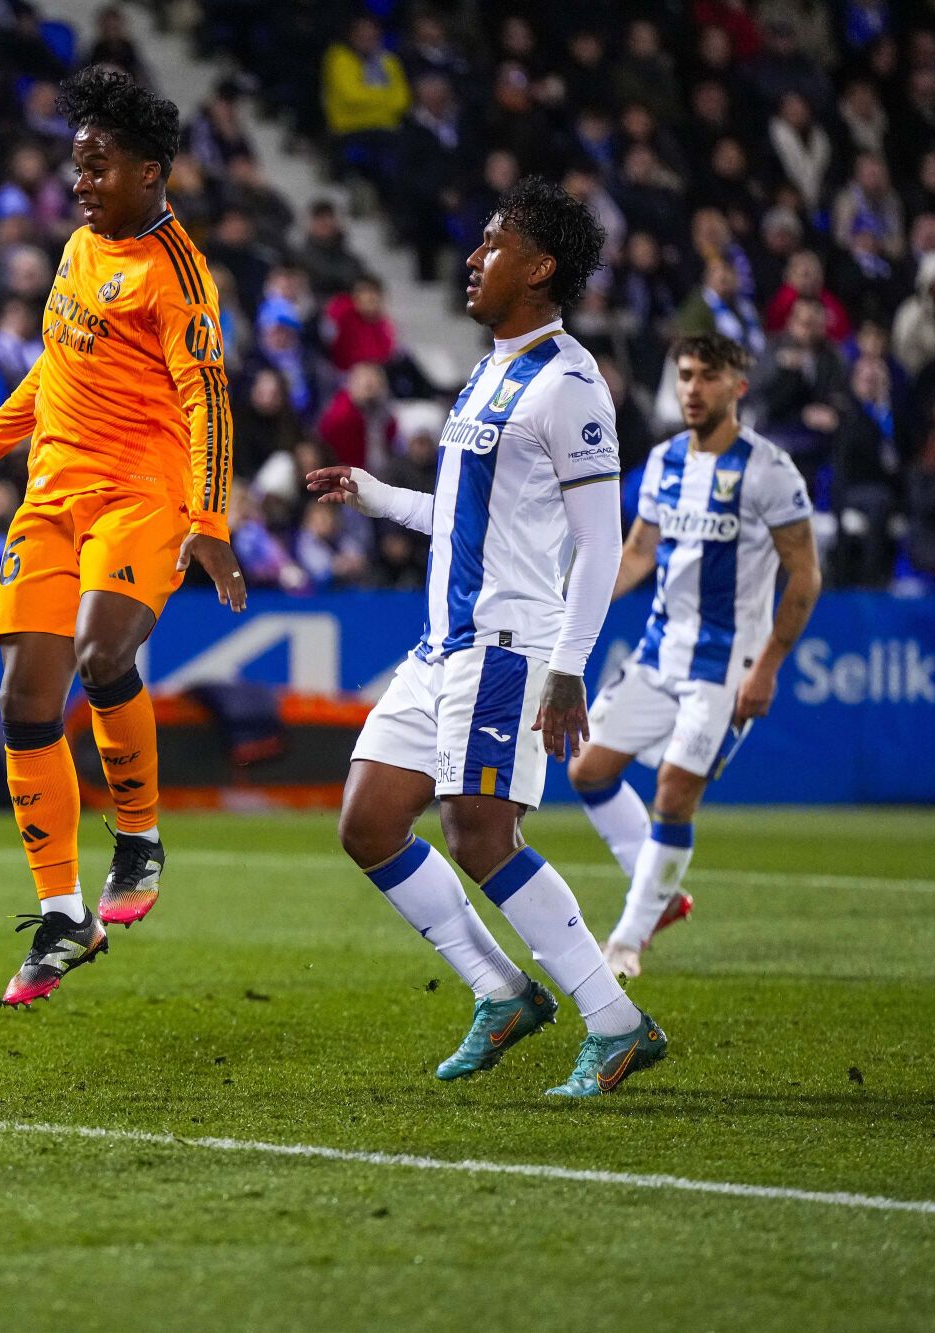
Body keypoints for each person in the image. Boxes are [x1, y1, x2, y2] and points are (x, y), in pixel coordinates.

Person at [306, 176, 667, 1098]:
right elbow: (470, 514)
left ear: (540, 267)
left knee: (478, 832)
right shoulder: (490, 369)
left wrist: (568, 668)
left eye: (495, 244)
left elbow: (597, 547)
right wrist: (375, 493)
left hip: (507, 647)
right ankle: (500, 992)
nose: (473, 258)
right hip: (440, 644)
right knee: (369, 821)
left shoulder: (570, 385)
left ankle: (616, 1020)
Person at [0, 65, 245, 1007]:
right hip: (50, 498)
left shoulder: (177, 274)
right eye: (76, 165)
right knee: (26, 702)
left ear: (148, 172)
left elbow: (208, 400)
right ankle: (64, 913)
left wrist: (209, 519)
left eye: (96, 167)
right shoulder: (78, 248)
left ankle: (138, 836)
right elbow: (54, 368)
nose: (78, 183)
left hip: (138, 496)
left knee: (105, 654)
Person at [568, 335, 820, 977]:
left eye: (708, 377)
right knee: (588, 771)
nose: (692, 389)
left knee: (674, 795)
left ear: (738, 386)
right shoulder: (662, 462)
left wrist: (768, 665)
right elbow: (638, 555)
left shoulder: (768, 470)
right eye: (684, 376)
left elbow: (805, 575)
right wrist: (573, 609)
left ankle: (625, 941)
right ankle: (660, 897)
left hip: (727, 666)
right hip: (660, 653)